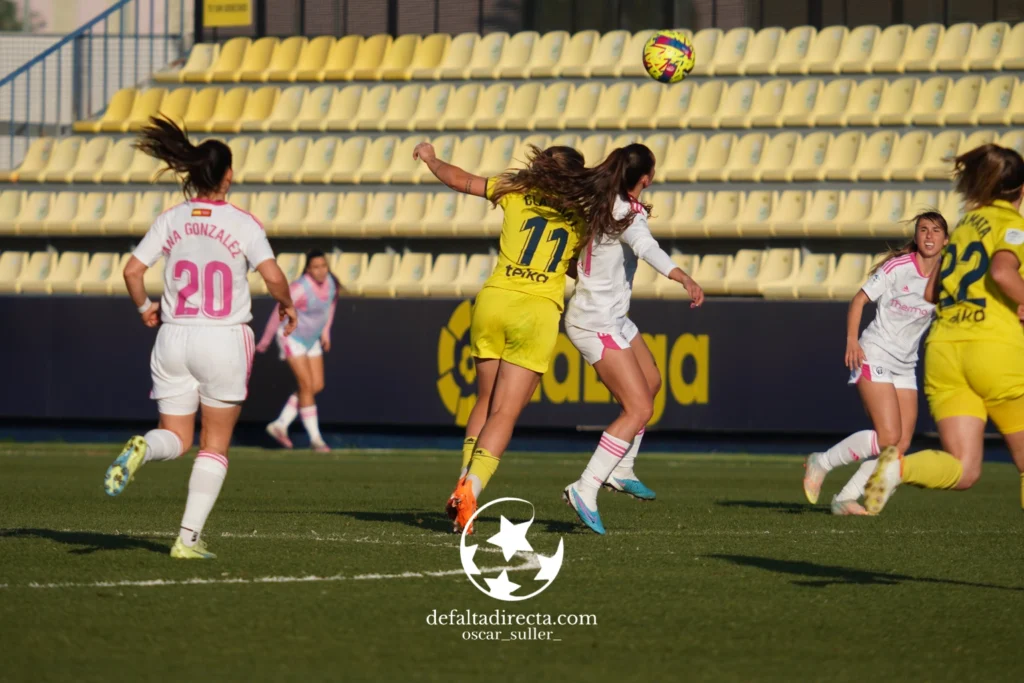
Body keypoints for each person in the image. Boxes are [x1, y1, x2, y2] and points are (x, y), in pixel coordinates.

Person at [102, 115, 297, 559]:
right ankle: (187, 540)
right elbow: (273, 276)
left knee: (174, 437)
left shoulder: (171, 219)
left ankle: (144, 448)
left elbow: (133, 271)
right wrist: (287, 305)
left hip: (173, 337)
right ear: (228, 176)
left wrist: (144, 309)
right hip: (223, 339)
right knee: (213, 445)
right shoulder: (243, 223)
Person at [413, 141, 590, 534]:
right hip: (536, 310)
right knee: (506, 413)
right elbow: (580, 268)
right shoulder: (581, 216)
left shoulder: (515, 190)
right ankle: (470, 493)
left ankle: (463, 483)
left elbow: (459, 180)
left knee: (485, 401)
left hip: (493, 301)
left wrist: (430, 159)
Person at [865, 144, 1024, 514]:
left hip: (943, 354)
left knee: (964, 469)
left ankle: (900, 466)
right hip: (991, 350)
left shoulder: (965, 226)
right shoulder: (1012, 225)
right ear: (1020, 190)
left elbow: (932, 291)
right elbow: (1003, 272)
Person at [561, 144, 704, 534]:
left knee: (652, 382)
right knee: (638, 408)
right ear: (646, 178)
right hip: (596, 322)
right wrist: (684, 277)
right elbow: (648, 248)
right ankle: (585, 486)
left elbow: (580, 259)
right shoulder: (628, 215)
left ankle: (621, 468)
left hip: (614, 317)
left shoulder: (602, 202)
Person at [803, 213, 948, 515]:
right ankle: (823, 461)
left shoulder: (948, 275)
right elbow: (859, 300)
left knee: (900, 445)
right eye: (923, 230)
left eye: (936, 231)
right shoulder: (898, 267)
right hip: (875, 351)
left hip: (906, 363)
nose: (929, 235)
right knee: (888, 436)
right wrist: (851, 340)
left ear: (945, 240)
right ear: (917, 237)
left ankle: (845, 498)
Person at [256, 249, 340, 453]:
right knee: (305, 385)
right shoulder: (299, 289)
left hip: (312, 340)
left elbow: (331, 305)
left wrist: (326, 332)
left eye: (323, 266)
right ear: (308, 269)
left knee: (315, 385)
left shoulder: (331, 283)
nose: (320, 271)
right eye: (315, 267)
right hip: (291, 337)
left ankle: (280, 424)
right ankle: (316, 440)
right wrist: (265, 341)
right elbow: (279, 313)